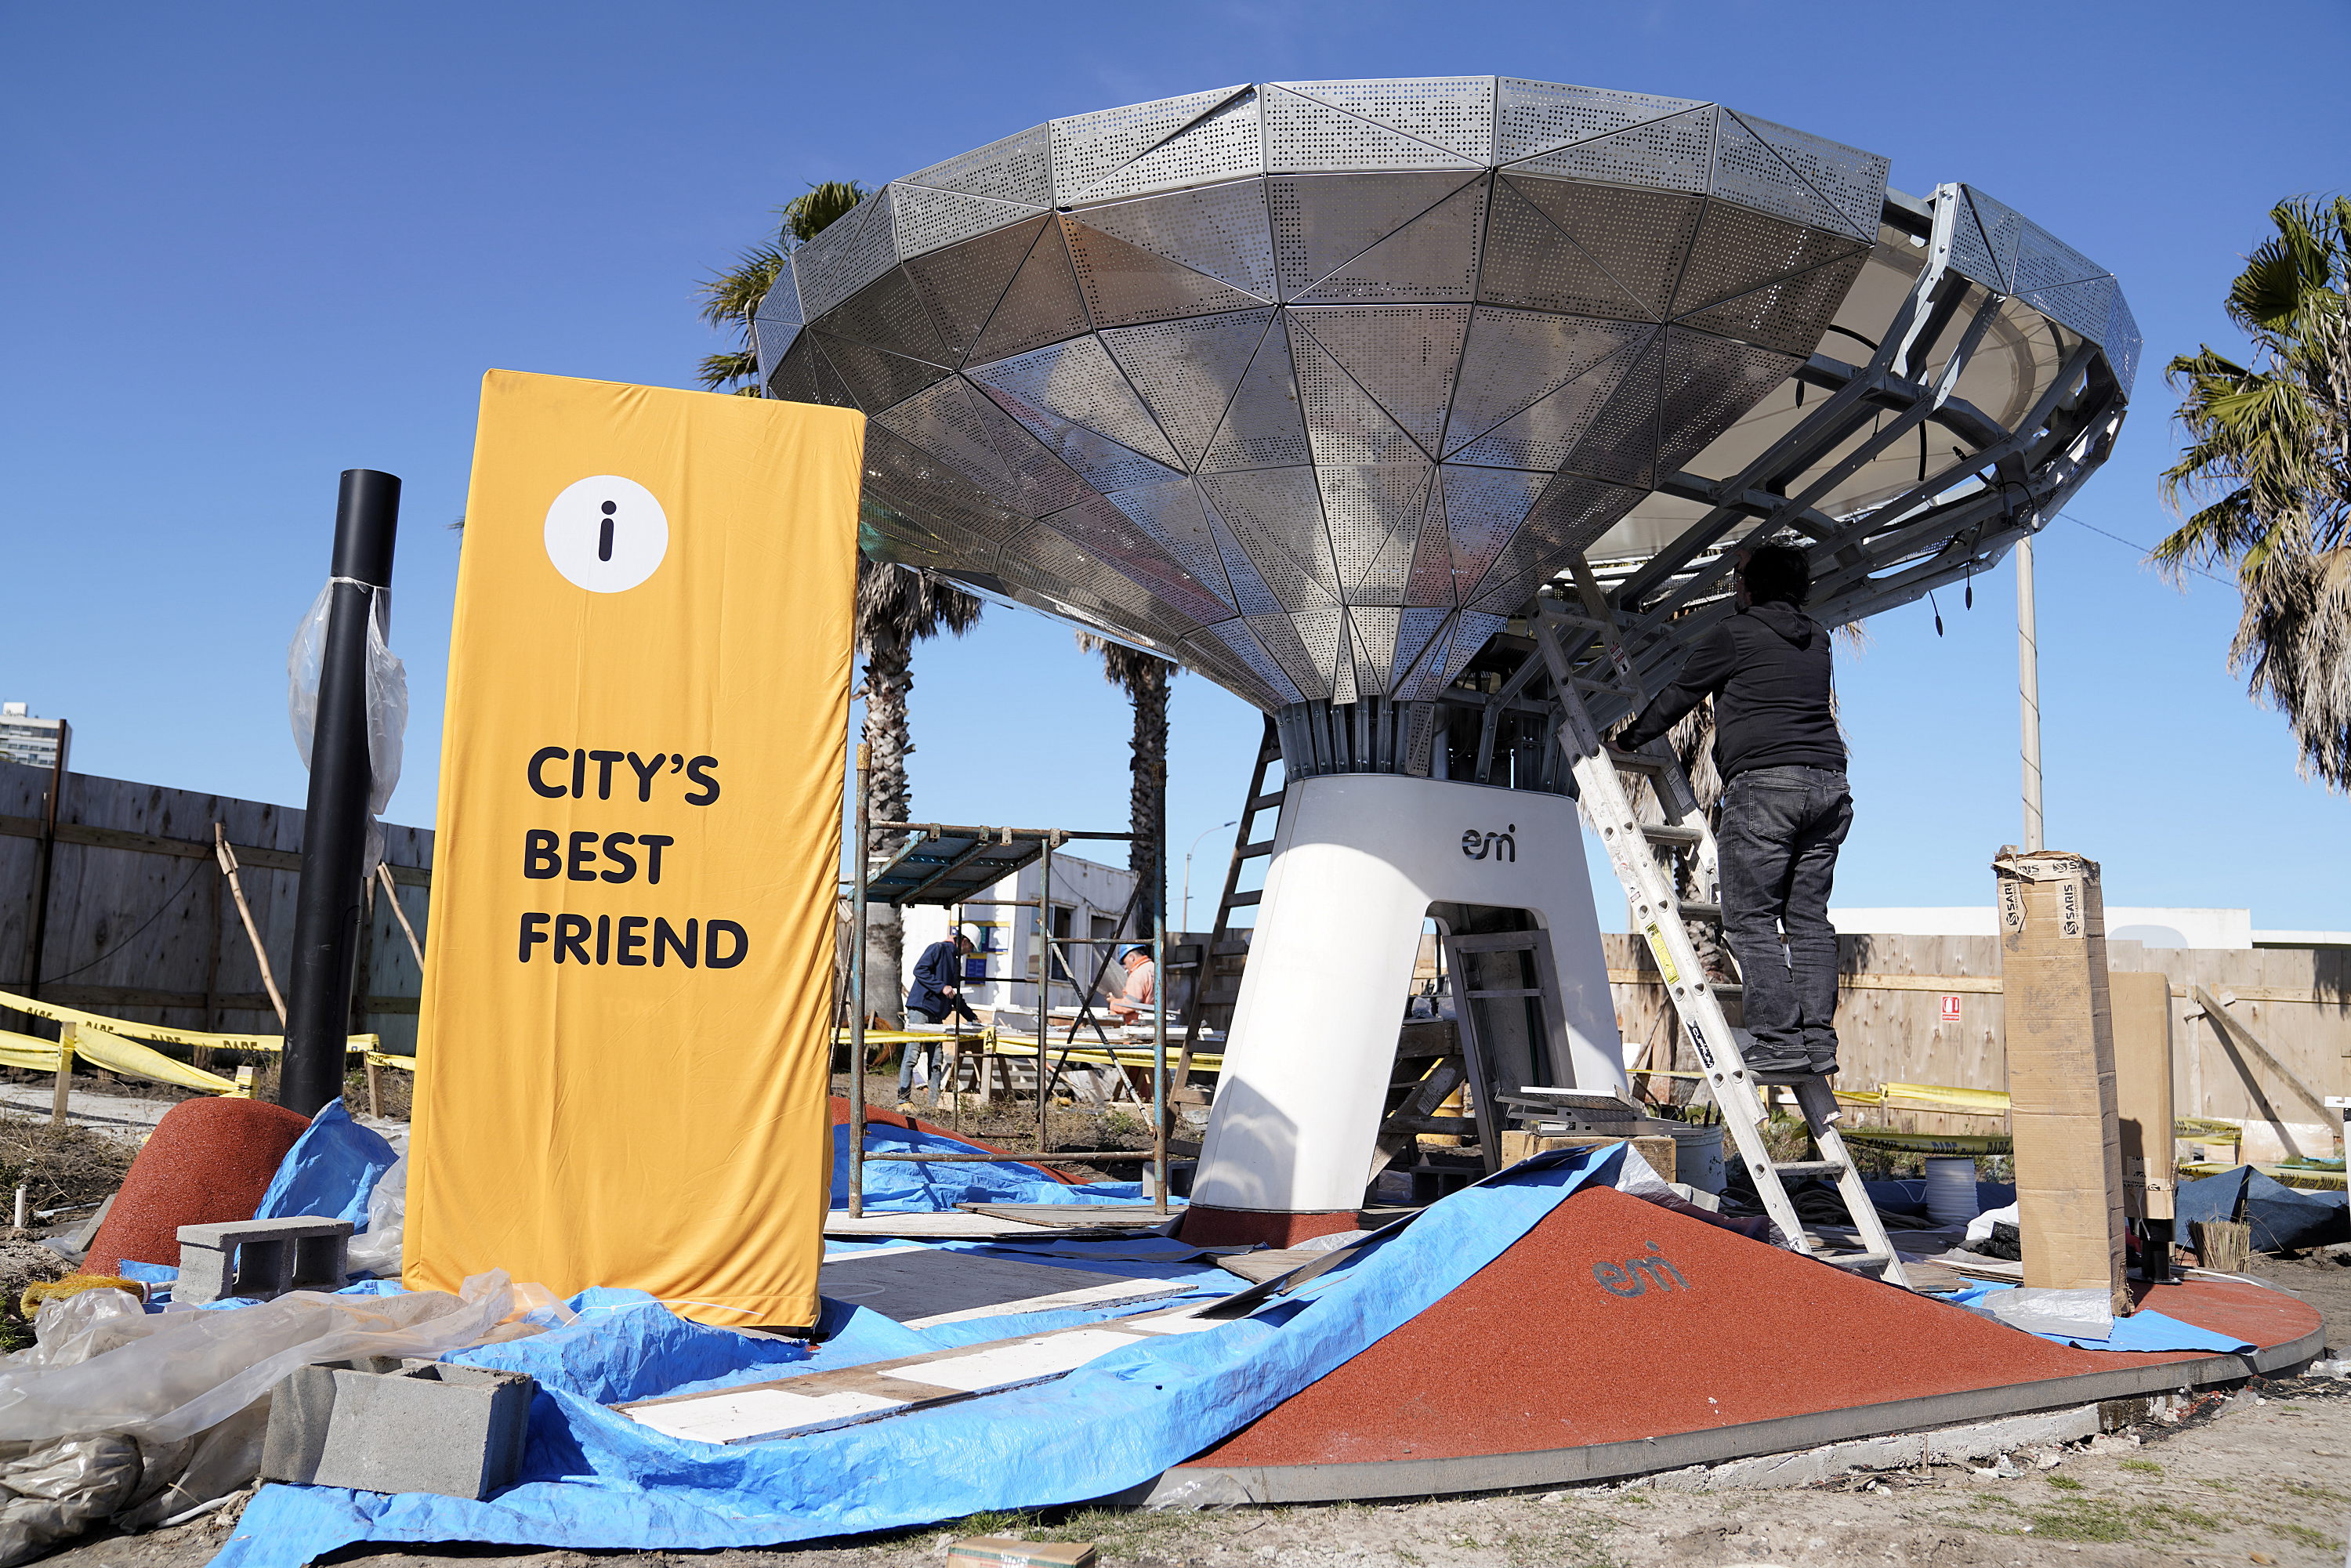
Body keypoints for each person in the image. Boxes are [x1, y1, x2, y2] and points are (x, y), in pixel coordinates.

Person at [1614, 545, 1849, 1077]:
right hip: (1829, 787)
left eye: (1738, 576)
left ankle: (1779, 1040)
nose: (1734, 586)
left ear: (1751, 585)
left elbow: (1681, 694)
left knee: (1748, 920)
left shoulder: (1734, 634)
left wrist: (1633, 736)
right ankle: (1817, 1043)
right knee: (1809, 920)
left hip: (1766, 785)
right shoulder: (1819, 639)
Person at [900, 930, 977, 1108]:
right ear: (964, 941)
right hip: (921, 1008)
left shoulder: (955, 962)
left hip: (936, 1014)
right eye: (970, 947)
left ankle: (933, 1103)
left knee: (936, 1058)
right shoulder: (938, 949)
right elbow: (919, 970)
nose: (969, 952)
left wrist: (971, 1017)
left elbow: (955, 995)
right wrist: (941, 987)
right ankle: (903, 1099)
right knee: (912, 1054)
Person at [1102, 944, 1156, 1024]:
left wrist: (1113, 1002)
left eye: (1125, 962)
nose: (1125, 967)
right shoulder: (1155, 968)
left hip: (1138, 1025)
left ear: (1132, 957)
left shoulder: (1137, 974)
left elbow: (1131, 1005)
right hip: (1154, 1022)